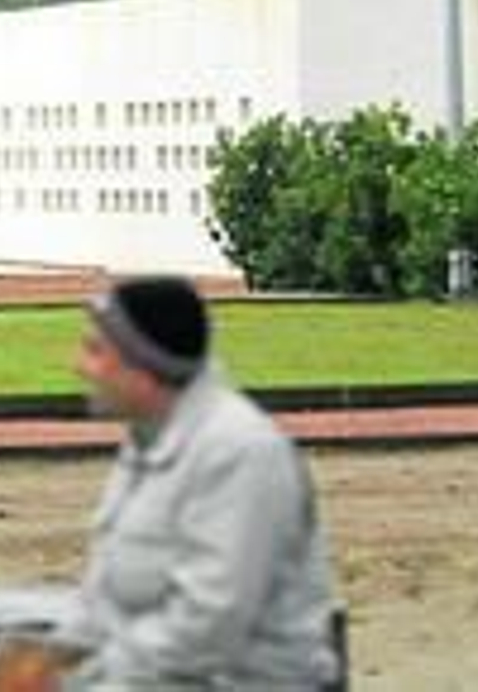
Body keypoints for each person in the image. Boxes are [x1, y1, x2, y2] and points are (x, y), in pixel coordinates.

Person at [39, 277, 340, 690]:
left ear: (142, 368)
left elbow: (208, 626)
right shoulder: (149, 438)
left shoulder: (241, 452)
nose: (79, 366)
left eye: (95, 351)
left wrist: (90, 684)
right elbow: (104, 593)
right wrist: (49, 664)